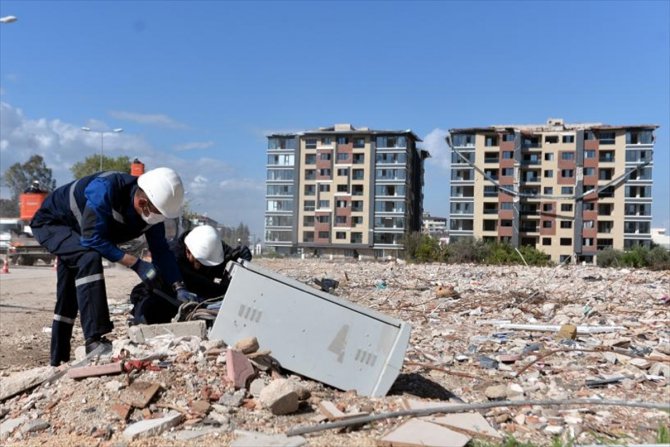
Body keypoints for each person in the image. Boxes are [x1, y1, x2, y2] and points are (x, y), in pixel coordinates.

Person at [30, 167, 198, 366]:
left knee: (68, 292)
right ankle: (94, 341)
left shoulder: (151, 213)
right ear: (142, 202)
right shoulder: (104, 190)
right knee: (88, 258)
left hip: (78, 233)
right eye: (158, 213)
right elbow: (92, 238)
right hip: (53, 223)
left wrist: (178, 286)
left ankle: (58, 361)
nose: (158, 220)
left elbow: (161, 251)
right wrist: (135, 264)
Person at [130, 225, 252, 324]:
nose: (203, 266)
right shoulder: (173, 257)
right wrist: (224, 292)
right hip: (169, 294)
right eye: (199, 262)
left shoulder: (209, 244)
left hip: (196, 289)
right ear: (188, 252)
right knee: (151, 312)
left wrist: (240, 253)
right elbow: (199, 283)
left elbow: (228, 254)